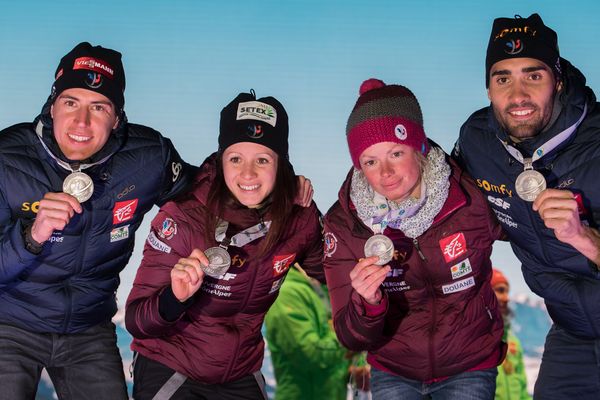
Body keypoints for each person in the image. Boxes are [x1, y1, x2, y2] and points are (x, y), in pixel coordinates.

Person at [0, 42, 197, 399]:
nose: (82, 122)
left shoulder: (148, 156)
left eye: (99, 107)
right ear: (52, 105)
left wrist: (281, 184)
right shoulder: (7, 157)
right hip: (9, 322)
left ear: (117, 117)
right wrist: (32, 234)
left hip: (88, 326)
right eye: (71, 103)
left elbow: (208, 189)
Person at [125, 90, 324, 399]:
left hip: (240, 370)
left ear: (281, 164)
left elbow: (333, 271)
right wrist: (173, 299)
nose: (247, 173)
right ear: (220, 159)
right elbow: (137, 321)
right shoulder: (184, 215)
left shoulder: (299, 217)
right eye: (235, 159)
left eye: (262, 159)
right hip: (172, 366)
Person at [323, 78, 505, 399]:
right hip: (394, 370)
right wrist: (368, 303)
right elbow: (350, 337)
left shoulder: (468, 196)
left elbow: (530, 231)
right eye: (370, 161)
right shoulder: (346, 223)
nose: (385, 172)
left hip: (470, 364)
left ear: (418, 146)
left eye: (396, 153)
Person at [452, 13, 600, 398]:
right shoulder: (477, 142)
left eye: (533, 76)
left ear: (558, 79)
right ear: (488, 89)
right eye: (503, 79)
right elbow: (430, 192)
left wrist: (585, 238)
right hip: (572, 331)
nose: (517, 96)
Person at [265, 263, 370, 400]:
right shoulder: (287, 292)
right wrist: (352, 339)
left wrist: (358, 366)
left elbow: (336, 335)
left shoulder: (323, 286)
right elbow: (307, 352)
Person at [491, 269, 530, 400]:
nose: (506, 298)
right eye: (500, 290)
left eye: (507, 292)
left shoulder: (513, 342)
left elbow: (523, 386)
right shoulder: (476, 339)